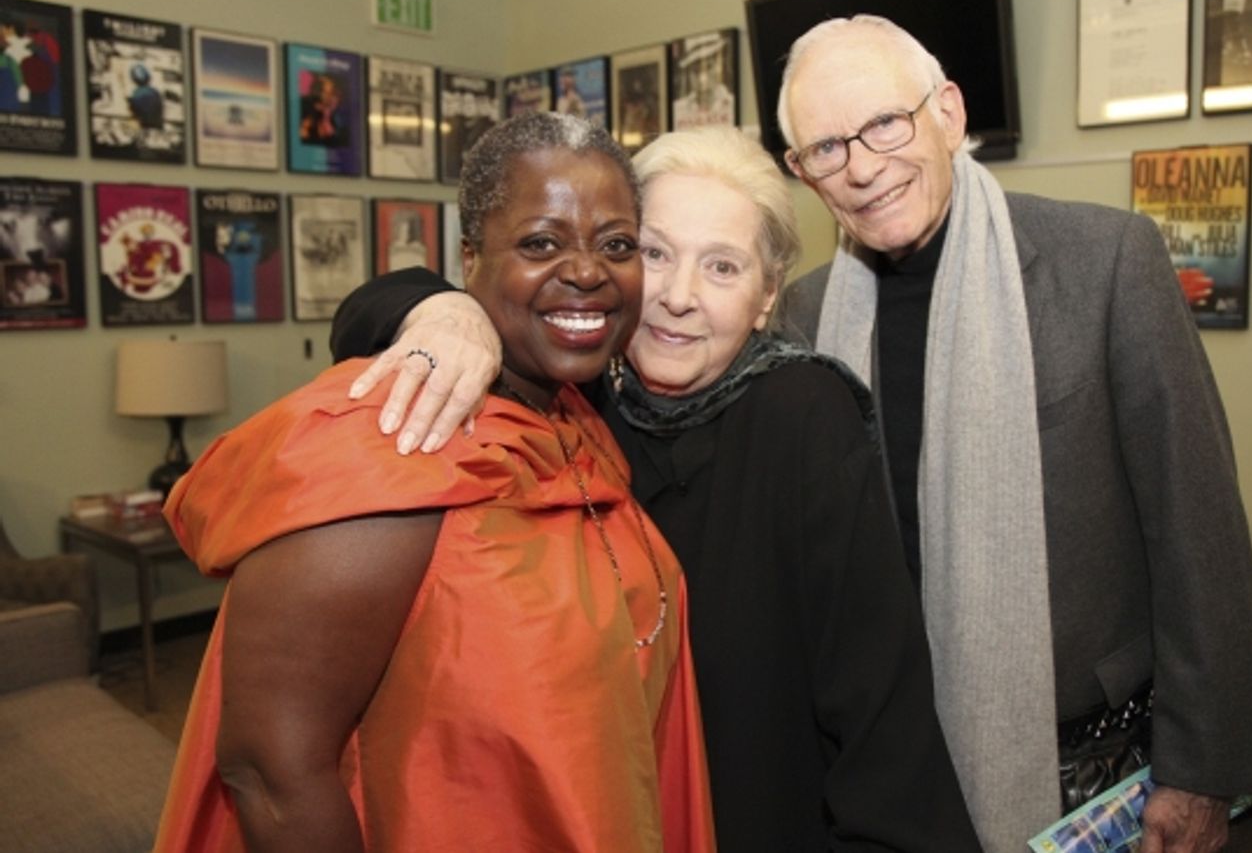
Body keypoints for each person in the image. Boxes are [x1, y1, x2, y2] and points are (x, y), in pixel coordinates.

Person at [341, 15, 1252, 853]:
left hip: (1080, 746)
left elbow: (1199, 530)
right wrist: (440, 309)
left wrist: (1203, 765)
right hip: (851, 737)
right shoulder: (812, 318)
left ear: (947, 111)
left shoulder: (1104, 262)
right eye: (826, 145)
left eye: (885, 125)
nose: (861, 164)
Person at [331, 127, 982, 852]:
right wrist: (446, 312)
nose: (678, 297)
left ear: (768, 296)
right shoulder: (576, 391)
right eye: (653, 253)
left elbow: (879, 714)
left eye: (723, 267)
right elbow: (366, 310)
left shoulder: (803, 416)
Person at [153, 112, 715, 853]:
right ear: (471, 255)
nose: (586, 270)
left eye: (616, 245)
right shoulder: (394, 438)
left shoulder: (577, 418)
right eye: (541, 242)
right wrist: (437, 306)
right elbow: (270, 768)